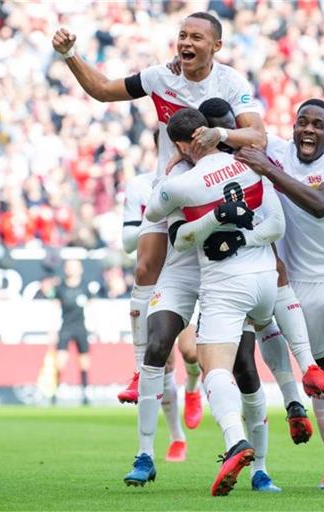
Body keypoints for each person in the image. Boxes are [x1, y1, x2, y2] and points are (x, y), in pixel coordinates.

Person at [51, 12, 266, 411]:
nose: (186, 42)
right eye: (182, 35)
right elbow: (102, 90)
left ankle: (293, 385)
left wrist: (221, 134)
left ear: (215, 46)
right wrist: (70, 55)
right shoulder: (159, 77)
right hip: (173, 196)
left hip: (223, 196)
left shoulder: (233, 83)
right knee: (146, 267)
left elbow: (258, 136)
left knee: (251, 322)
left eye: (196, 37)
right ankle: (139, 369)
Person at [235, 99, 324, 491]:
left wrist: (268, 171)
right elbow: (227, 126)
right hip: (300, 286)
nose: (309, 130)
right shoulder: (276, 150)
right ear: (293, 127)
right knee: (323, 375)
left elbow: (320, 204)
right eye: (302, 123)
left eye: (318, 125)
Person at [144, 108, 284, 496]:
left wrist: (173, 173)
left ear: (181, 144)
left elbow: (156, 210)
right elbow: (277, 226)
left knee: (216, 369)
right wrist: (248, 237)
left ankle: (237, 442)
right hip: (266, 280)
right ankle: (263, 470)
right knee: (251, 374)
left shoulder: (184, 183)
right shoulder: (253, 162)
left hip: (226, 283)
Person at [195, 98, 324, 444]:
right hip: (250, 260)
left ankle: (254, 454)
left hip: (233, 268)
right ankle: (295, 396)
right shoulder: (209, 165)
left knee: (243, 362)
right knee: (258, 336)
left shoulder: (241, 158)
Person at [120, 170, 198, 461]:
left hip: (188, 271)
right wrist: (154, 218)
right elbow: (128, 242)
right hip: (155, 278)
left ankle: (192, 387)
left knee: (190, 352)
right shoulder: (140, 184)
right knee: (161, 358)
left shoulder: (199, 175)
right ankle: (177, 437)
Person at [51, 259, 94, 406]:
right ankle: (55, 392)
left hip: (81, 327)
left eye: (74, 267)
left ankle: (85, 393)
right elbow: (55, 308)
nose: (71, 270)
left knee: (84, 363)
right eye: (68, 267)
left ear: (80, 269)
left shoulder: (85, 287)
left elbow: (92, 306)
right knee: (60, 362)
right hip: (66, 327)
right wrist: (52, 329)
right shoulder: (60, 287)